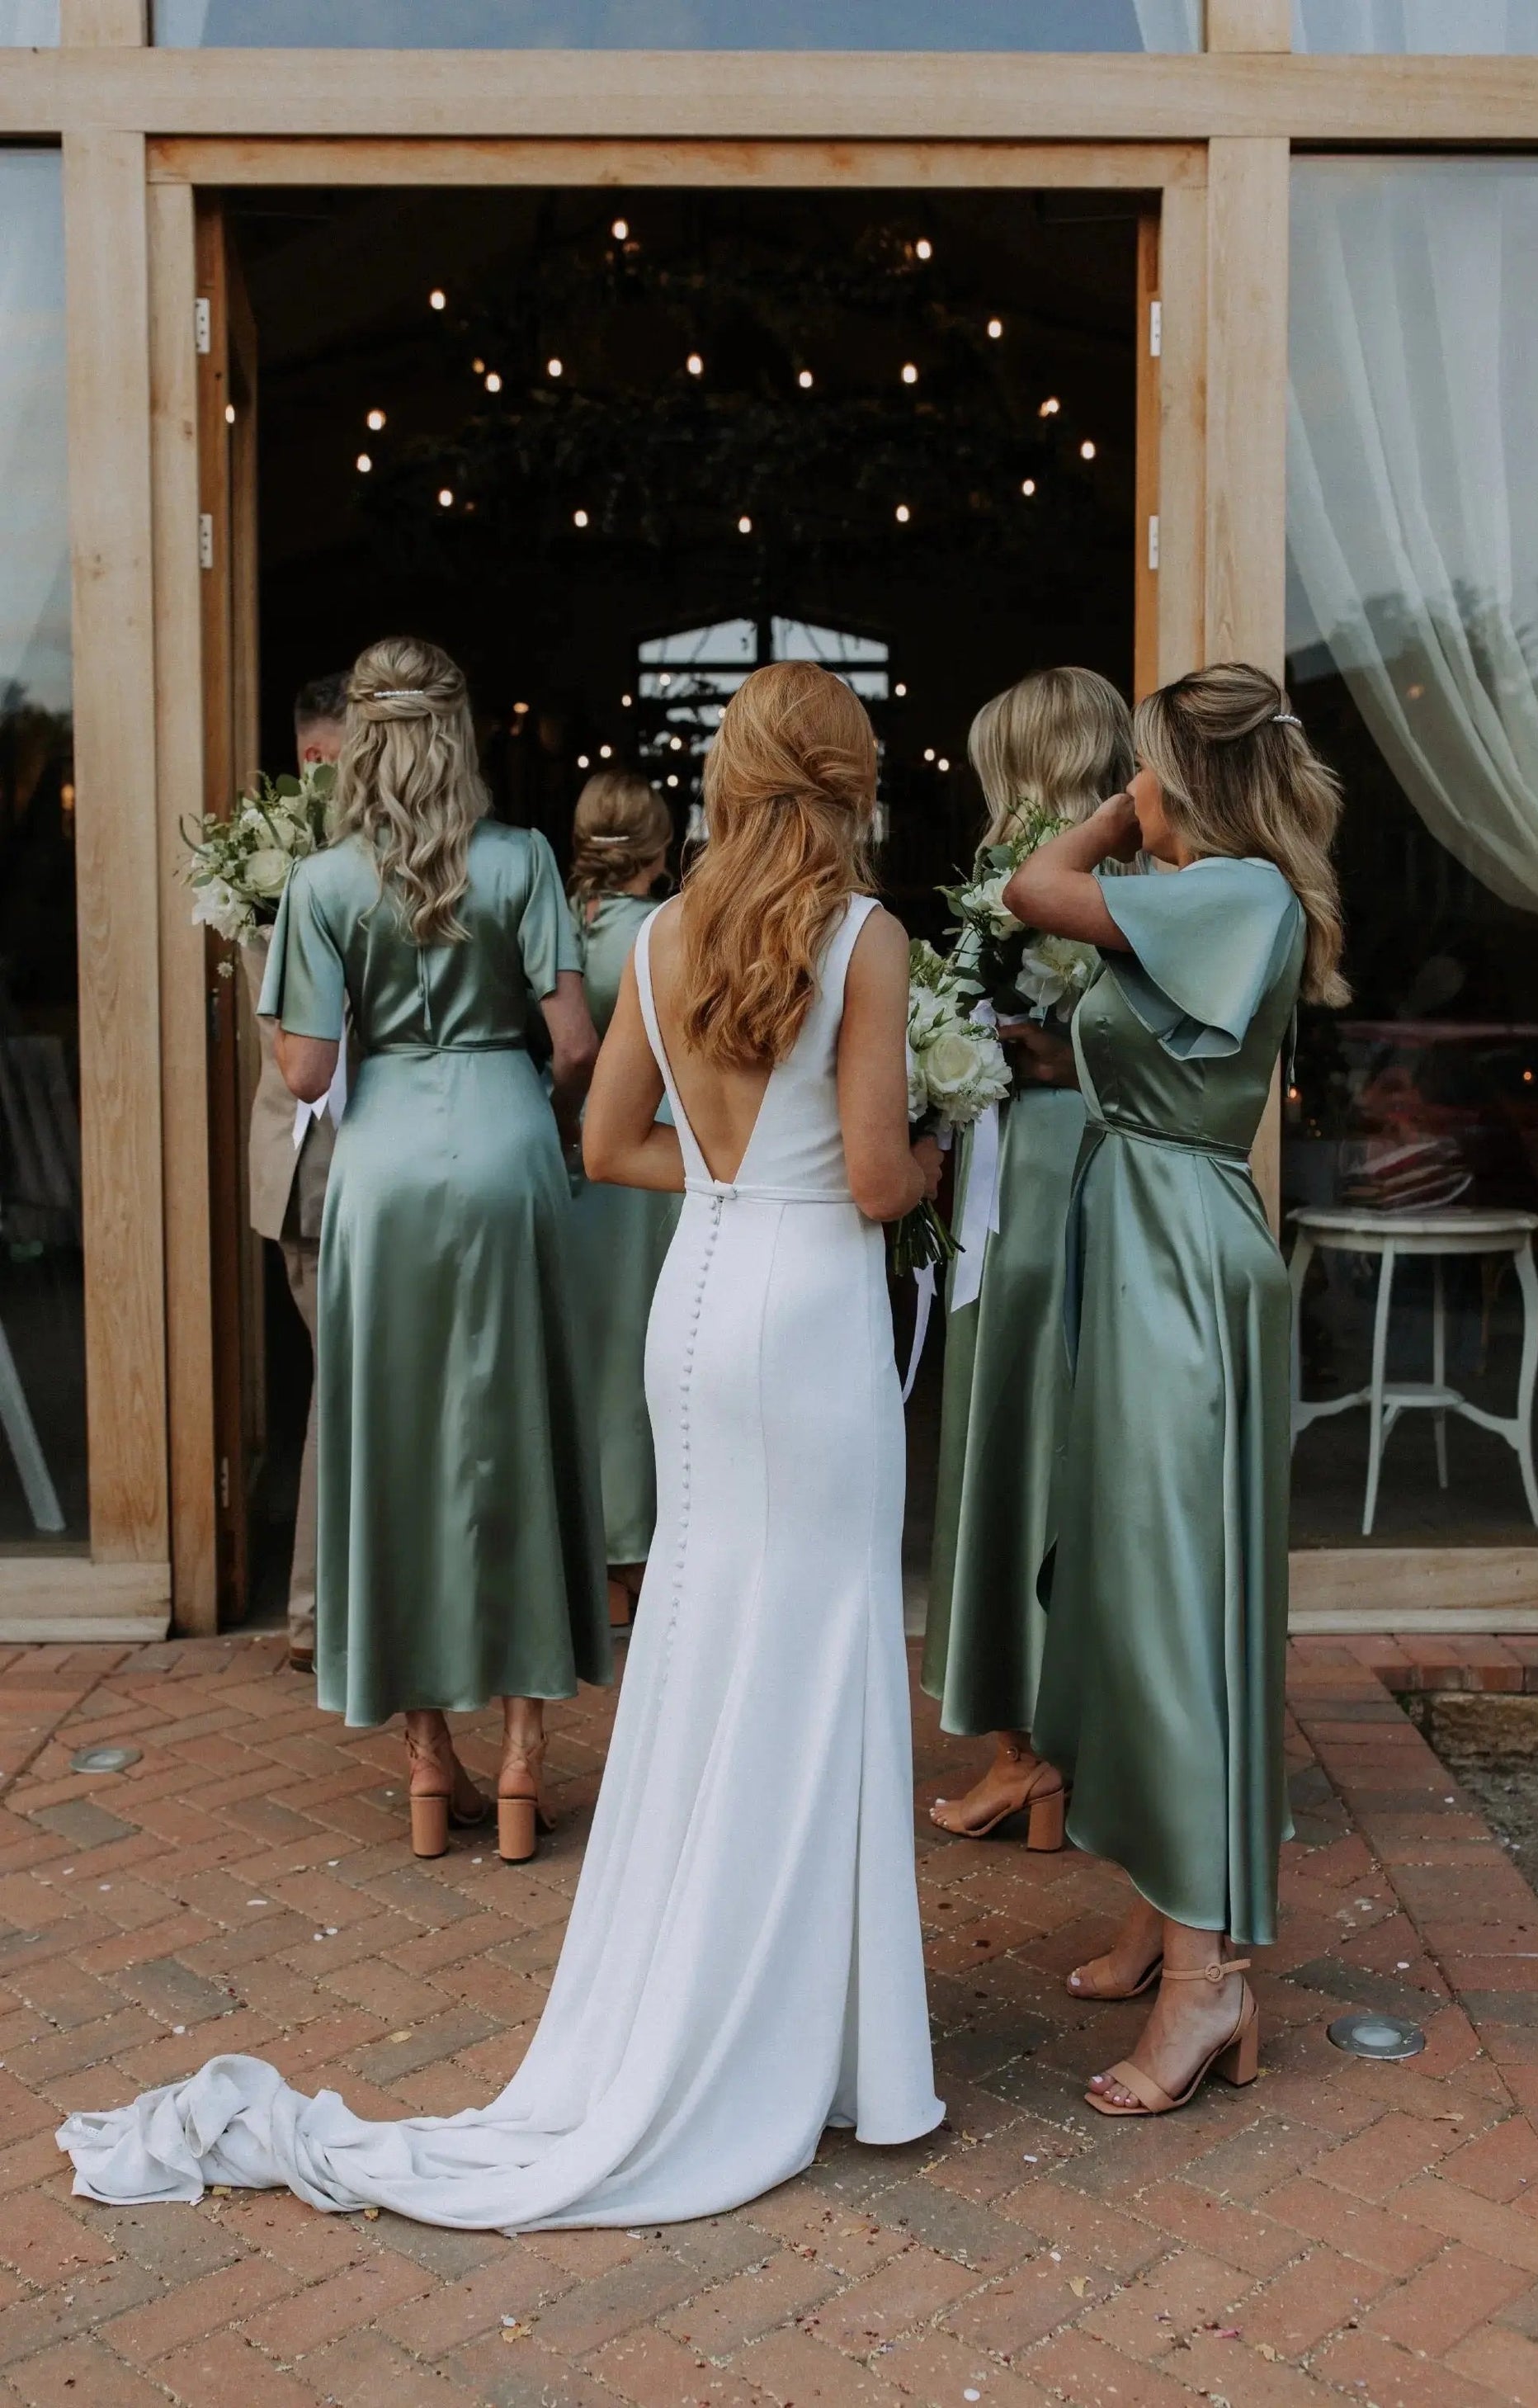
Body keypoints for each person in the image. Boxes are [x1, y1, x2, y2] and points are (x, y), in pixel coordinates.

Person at [59, 658, 944, 2231]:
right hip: (807, 1311)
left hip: (701, 1301)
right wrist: (934, 1150)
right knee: (820, 1642)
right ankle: (834, 2039)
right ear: (846, 779)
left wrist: (738, 1186)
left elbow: (609, 1144)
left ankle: (699, 1983)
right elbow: (876, 1182)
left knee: (702, 1630)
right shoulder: (864, 939)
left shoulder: (669, 933)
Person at [1004, 661, 1345, 2119]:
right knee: (1134, 1593)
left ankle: (1211, 1980)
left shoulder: (1239, 893)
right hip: (1138, 1249)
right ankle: (1167, 1909)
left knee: (1172, 1605)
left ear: (1177, 780)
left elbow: (1031, 883)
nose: (1129, 796)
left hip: (1176, 1268)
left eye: (1147, 770)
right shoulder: (1206, 894)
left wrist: (1112, 810)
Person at [267, 636, 607, 1861]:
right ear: (460, 733)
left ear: (356, 740)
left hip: (387, 1165)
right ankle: (523, 1762)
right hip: (509, 1144)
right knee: (514, 1426)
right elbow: (573, 1042)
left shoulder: (322, 882)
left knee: (393, 1441)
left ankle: (428, 1764)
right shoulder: (519, 861)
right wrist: (529, 1100)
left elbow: (305, 1068)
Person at [922, 668, 1133, 1846]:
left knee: (1014, 1429)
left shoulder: (1015, 884)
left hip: (1029, 1184)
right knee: (1082, 1441)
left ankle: (1024, 1752)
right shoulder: (1149, 874)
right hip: (1106, 1170)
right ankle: (1078, 1741)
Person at [241, 671, 349, 1674]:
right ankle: (316, 1610)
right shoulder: (280, 872)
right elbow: (299, 1051)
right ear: (319, 760)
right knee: (343, 1388)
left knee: (349, 1384)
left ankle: (335, 1604)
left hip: (358, 1164)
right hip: (316, 1170)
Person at [566, 770, 679, 1622]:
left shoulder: (564, 929)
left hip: (570, 1156)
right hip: (648, 1157)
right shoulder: (664, 933)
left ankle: (590, 1551)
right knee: (647, 1350)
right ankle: (638, 1548)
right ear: (661, 845)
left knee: (584, 1349)